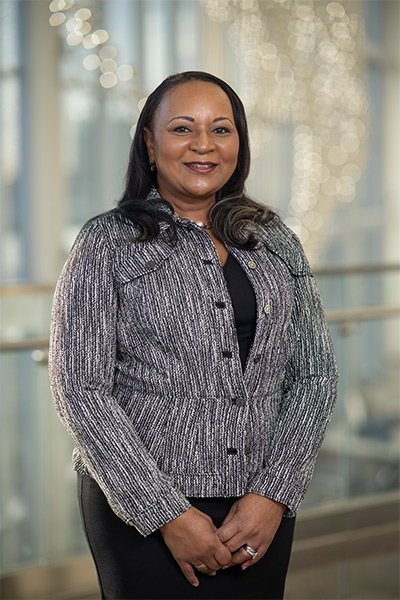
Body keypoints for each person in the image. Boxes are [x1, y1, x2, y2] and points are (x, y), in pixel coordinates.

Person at [49, 71, 338, 600]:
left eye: (220, 129)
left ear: (238, 143)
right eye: (183, 128)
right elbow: (79, 389)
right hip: (140, 509)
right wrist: (167, 513)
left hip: (259, 508)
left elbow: (314, 376)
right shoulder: (106, 243)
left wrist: (273, 495)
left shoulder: (275, 240)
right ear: (150, 143)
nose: (203, 144)